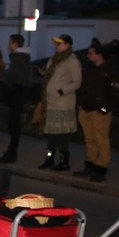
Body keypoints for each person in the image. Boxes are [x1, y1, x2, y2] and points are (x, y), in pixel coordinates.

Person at [74, 43, 119, 182]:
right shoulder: (91, 69)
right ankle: (91, 163)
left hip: (98, 111)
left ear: (99, 54)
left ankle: (101, 167)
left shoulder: (111, 71)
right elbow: (83, 88)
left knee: (101, 139)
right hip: (86, 109)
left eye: (91, 53)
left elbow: (117, 93)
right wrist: (80, 104)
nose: (88, 55)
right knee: (90, 138)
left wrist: (104, 108)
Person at [38, 34, 82, 171]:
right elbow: (53, 77)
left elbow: (77, 82)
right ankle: (49, 158)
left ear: (68, 45)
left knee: (61, 134)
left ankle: (64, 161)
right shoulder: (53, 59)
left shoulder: (72, 61)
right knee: (51, 133)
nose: (57, 46)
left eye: (60, 43)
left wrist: (62, 91)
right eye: (56, 43)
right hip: (50, 102)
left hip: (63, 103)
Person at [0, 33, 30, 164]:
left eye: (10, 43)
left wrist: (5, 90)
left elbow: (14, 80)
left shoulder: (18, 60)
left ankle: (12, 153)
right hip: (17, 96)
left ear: (15, 44)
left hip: (16, 97)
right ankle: (11, 151)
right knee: (13, 126)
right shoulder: (20, 59)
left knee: (14, 126)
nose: (8, 45)